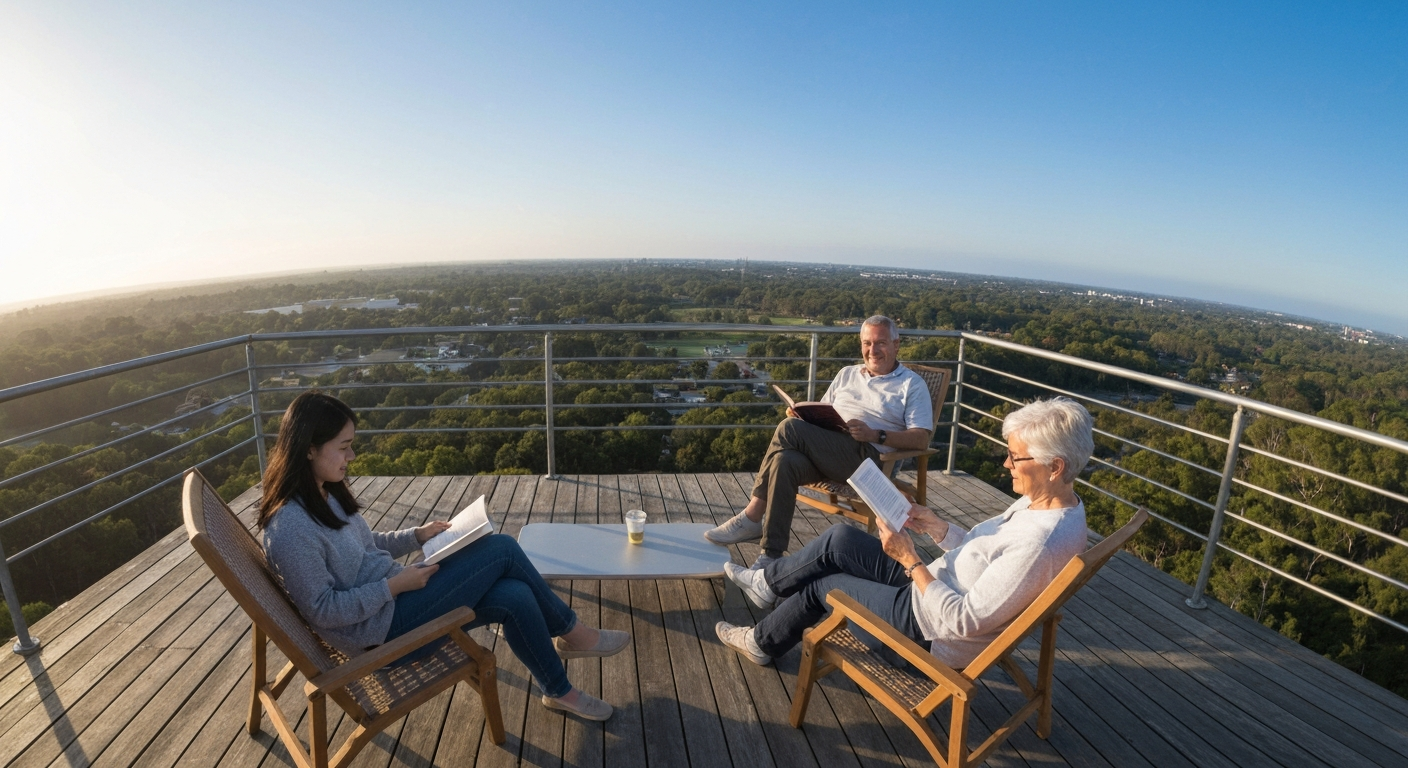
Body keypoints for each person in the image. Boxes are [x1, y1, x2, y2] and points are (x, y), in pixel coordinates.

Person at [258, 392, 629, 722]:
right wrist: (394, 585)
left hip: (399, 601)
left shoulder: (325, 491)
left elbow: (362, 545)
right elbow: (322, 610)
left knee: (514, 595)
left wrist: (417, 536)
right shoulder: (290, 528)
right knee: (501, 549)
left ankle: (559, 691)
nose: (351, 456)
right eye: (344, 446)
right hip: (384, 637)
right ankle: (574, 634)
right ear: (309, 447)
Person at [714, 397, 1093, 671]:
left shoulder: (1039, 542)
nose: (1007, 463)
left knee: (824, 586)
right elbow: (990, 557)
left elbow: (963, 621)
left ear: (1055, 466)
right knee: (842, 539)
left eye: (1016, 457)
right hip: (936, 587)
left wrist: (910, 560)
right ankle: (767, 583)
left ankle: (762, 642)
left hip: (927, 632)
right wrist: (939, 527)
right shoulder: (1050, 504)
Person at [705, 315, 933, 569]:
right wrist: (805, 417)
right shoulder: (847, 374)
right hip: (832, 452)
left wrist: (876, 434)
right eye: (867, 343)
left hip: (870, 463)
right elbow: (824, 411)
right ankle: (771, 555)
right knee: (785, 460)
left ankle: (752, 515)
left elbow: (921, 438)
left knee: (789, 429)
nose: (873, 350)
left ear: (896, 344)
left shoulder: (911, 385)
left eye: (880, 343)